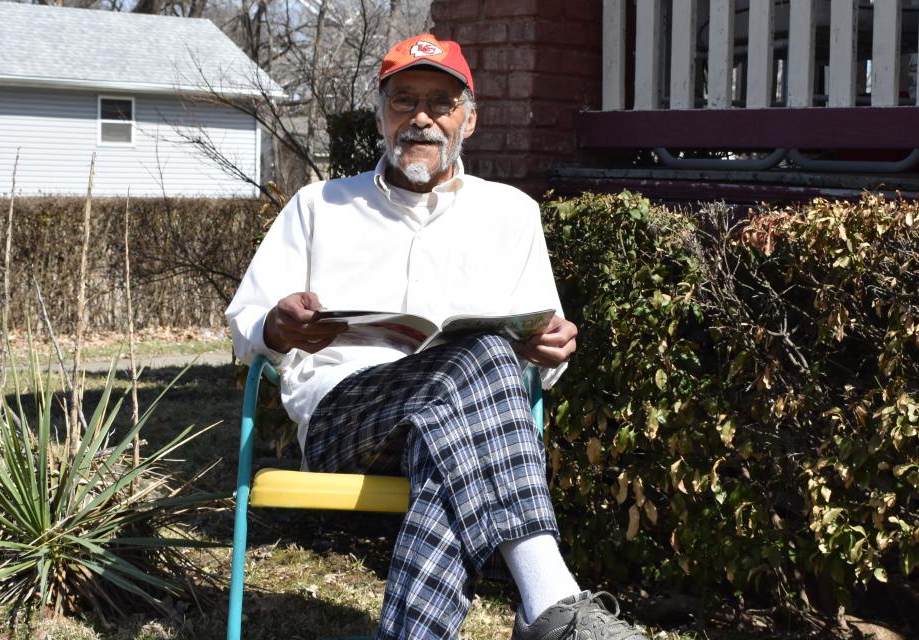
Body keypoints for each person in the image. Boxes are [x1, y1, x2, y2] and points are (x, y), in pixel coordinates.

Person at [225, 33, 648, 640]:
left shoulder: (512, 214)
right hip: (347, 419)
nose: (421, 117)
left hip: (465, 431)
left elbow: (543, 348)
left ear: (468, 120)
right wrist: (277, 325)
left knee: (463, 402)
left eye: (441, 103)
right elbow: (246, 323)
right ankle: (551, 603)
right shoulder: (319, 205)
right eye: (403, 100)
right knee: (479, 355)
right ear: (379, 115)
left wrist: (550, 350)